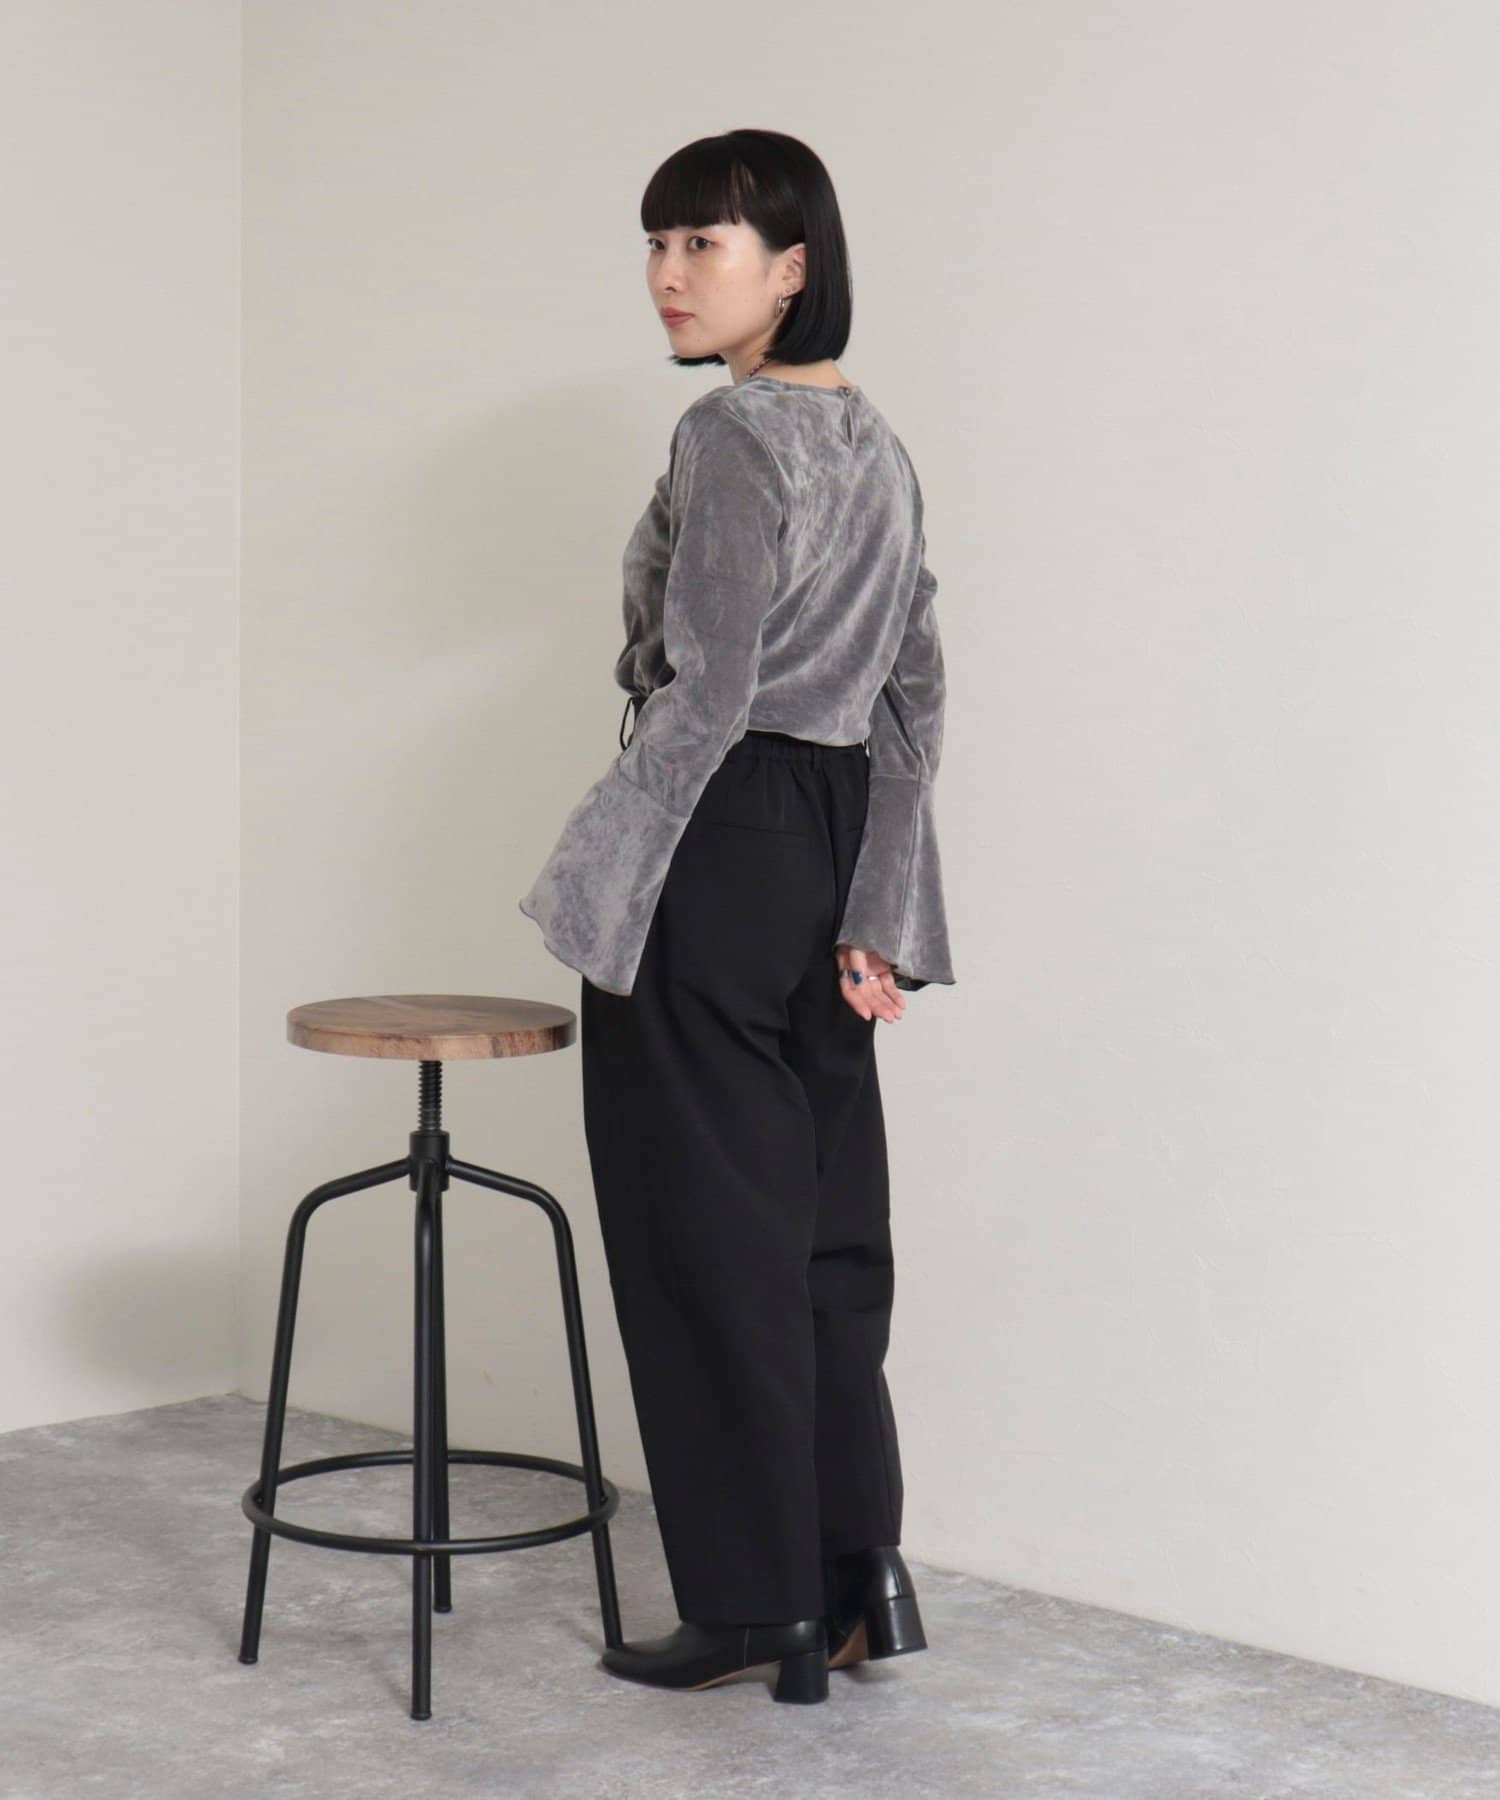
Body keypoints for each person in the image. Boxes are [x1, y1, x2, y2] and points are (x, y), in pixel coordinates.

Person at [518, 128, 955, 1705]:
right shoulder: (881, 449)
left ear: (793, 267)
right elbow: (914, 697)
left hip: (716, 843)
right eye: (658, 243)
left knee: (704, 1241)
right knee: (824, 1236)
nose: (668, 275)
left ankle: (752, 1602)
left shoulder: (731, 435)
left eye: (703, 244)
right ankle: (859, 1579)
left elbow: (703, 688)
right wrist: (882, 907)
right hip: (832, 842)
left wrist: (598, 879)